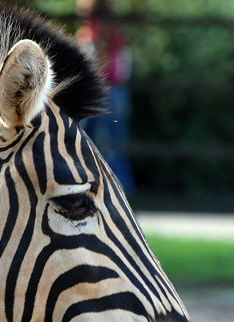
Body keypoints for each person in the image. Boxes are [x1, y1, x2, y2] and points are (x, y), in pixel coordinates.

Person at [77, 0, 136, 196]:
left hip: (100, 91)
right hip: (118, 91)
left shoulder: (90, 32)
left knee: (87, 142)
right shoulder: (117, 32)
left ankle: (96, 188)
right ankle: (123, 191)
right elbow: (125, 66)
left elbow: (88, 64)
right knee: (115, 144)